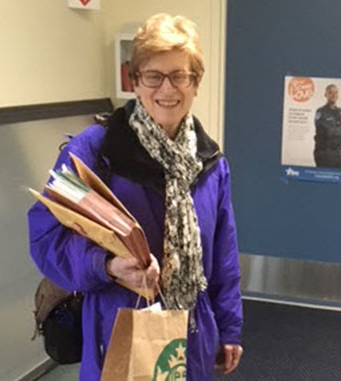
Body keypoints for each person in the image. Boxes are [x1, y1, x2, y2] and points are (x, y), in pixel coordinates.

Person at [28, 13, 243, 381]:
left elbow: (223, 254)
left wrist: (229, 326)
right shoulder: (96, 152)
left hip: (194, 331)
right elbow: (46, 238)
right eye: (153, 76)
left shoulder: (209, 161)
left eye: (179, 75)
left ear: (196, 82)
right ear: (135, 79)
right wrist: (105, 266)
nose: (167, 90)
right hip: (120, 326)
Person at [313, 84, 341, 168]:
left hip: (339, 152)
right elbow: (329, 132)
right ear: (326, 95)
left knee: (338, 178)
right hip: (325, 153)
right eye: (330, 92)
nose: (333, 95)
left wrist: (337, 130)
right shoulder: (321, 112)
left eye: (336, 93)